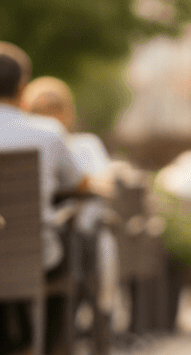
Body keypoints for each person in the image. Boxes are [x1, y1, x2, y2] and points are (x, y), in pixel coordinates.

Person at [0, 43, 92, 355]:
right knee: (75, 253)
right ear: (23, 89)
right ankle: (35, 352)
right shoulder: (48, 133)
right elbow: (80, 181)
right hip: (33, 254)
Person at [22, 75, 120, 326]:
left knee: (75, 251)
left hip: (78, 226)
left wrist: (85, 183)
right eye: (39, 109)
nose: (48, 115)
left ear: (68, 111)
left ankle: (59, 337)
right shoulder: (31, 142)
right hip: (32, 232)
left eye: (55, 107)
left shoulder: (85, 145)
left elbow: (105, 183)